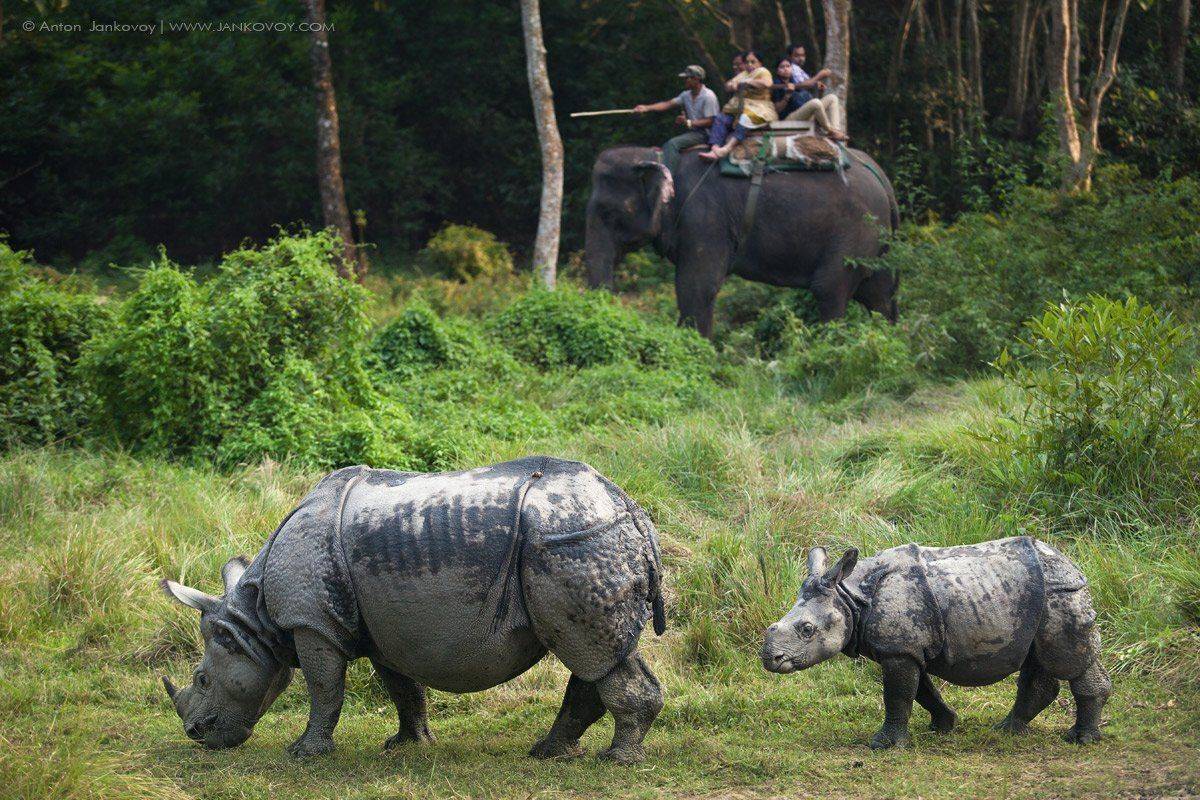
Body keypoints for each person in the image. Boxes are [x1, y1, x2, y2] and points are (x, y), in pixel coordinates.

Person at [633, 65, 720, 171]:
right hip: (693, 133)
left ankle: (667, 177)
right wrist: (646, 108)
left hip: (706, 134)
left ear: (696, 79)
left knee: (672, 144)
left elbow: (711, 121)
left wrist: (688, 122)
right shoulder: (686, 95)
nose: (685, 81)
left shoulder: (709, 96)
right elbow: (668, 104)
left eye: (687, 78)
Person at [699, 50, 778, 161]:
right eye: (747, 62)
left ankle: (727, 148)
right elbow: (728, 86)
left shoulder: (762, 71)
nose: (750, 65)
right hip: (739, 107)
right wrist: (732, 85)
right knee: (721, 118)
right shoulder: (744, 74)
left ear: (760, 63)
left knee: (745, 117)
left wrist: (748, 82)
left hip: (760, 108)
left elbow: (767, 83)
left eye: (753, 62)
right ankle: (714, 148)